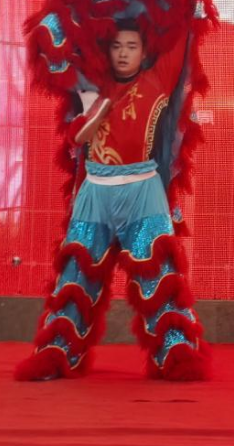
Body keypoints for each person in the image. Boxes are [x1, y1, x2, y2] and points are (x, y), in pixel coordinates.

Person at [15, 21, 209, 381]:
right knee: (77, 274)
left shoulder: (157, 81)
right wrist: (100, 109)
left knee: (158, 274)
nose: (123, 53)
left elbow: (179, 33)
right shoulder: (92, 86)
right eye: (117, 46)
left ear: (144, 52)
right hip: (96, 192)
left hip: (143, 191)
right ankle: (59, 352)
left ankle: (175, 352)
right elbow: (78, 136)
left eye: (131, 46)